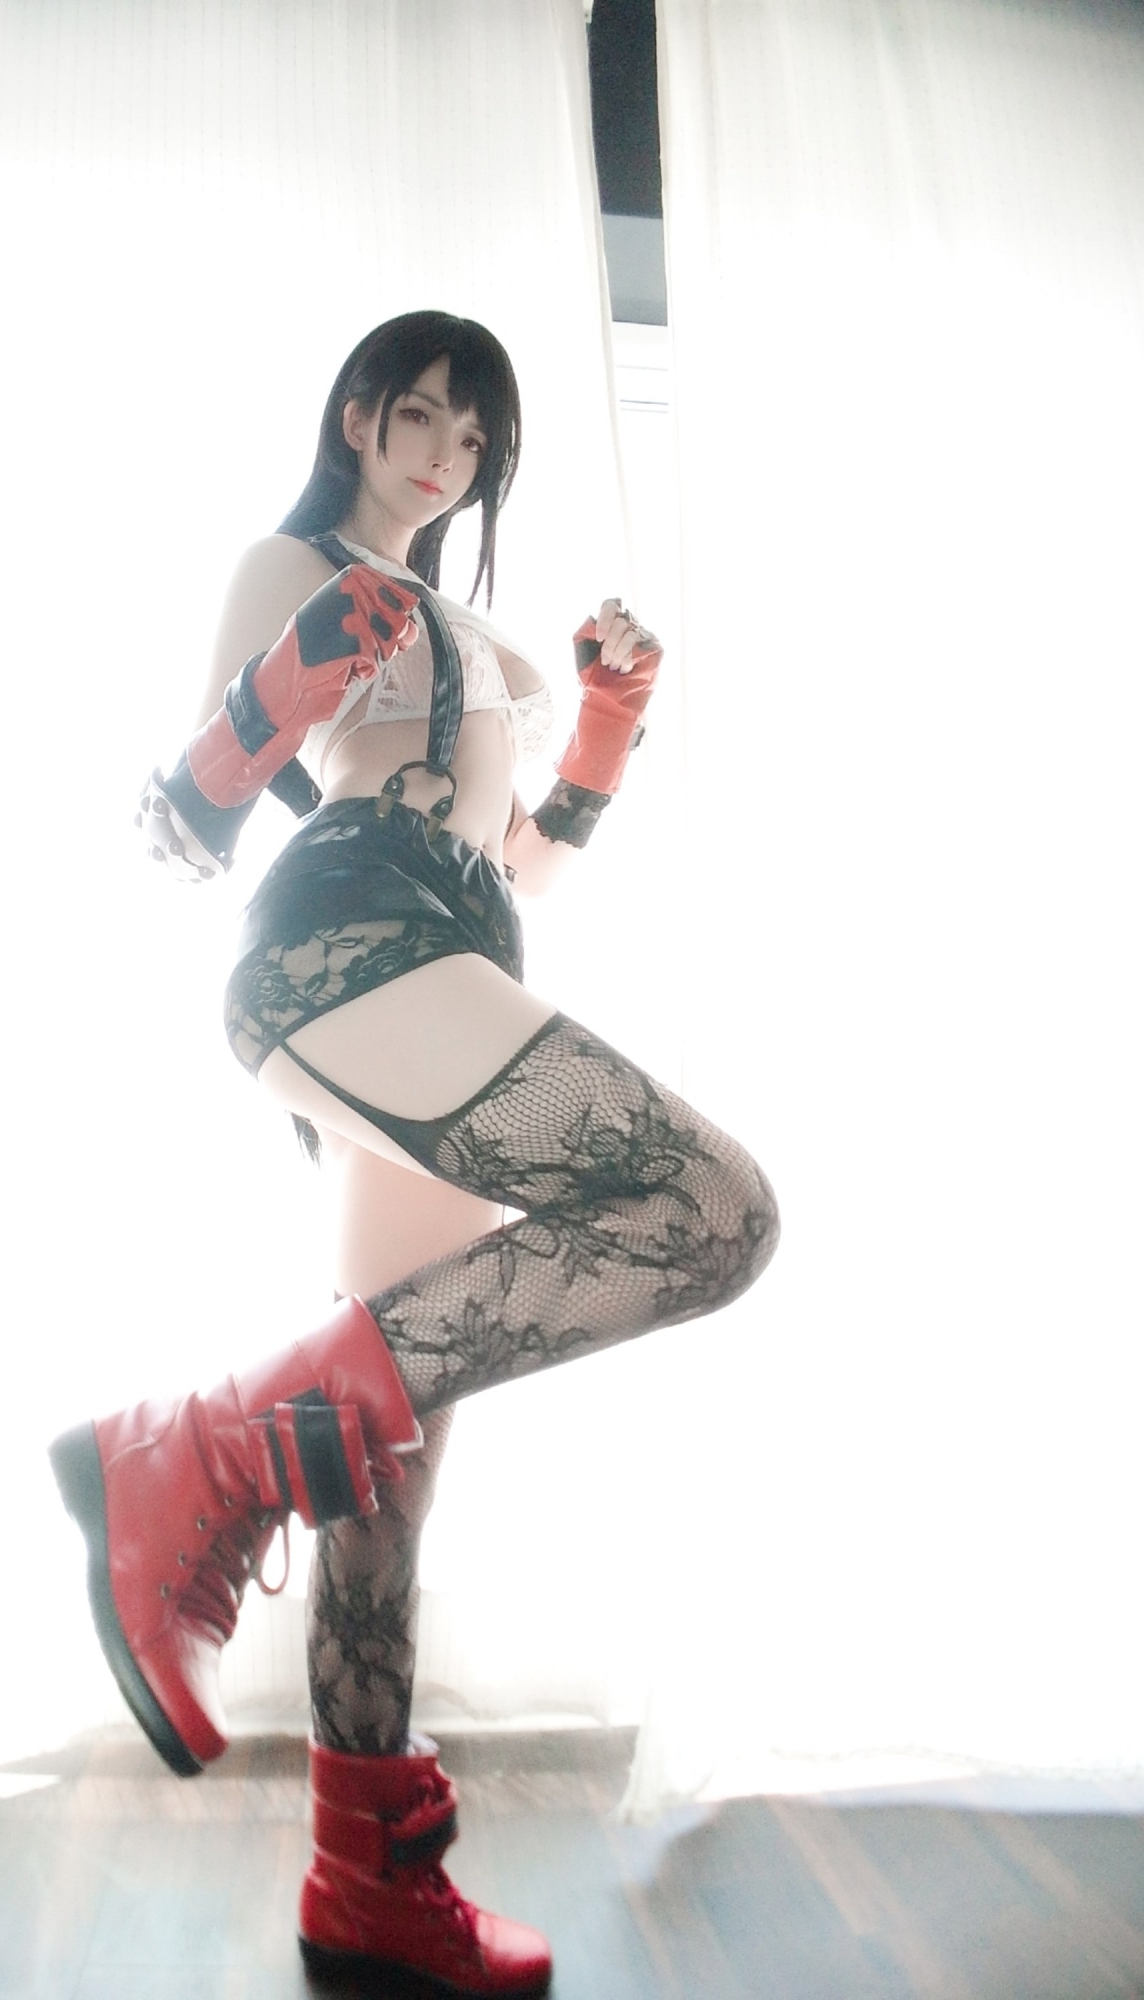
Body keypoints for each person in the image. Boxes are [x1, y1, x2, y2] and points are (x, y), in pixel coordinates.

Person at [51, 310, 778, 1997]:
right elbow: (183, 826)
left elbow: (518, 864)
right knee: (714, 1212)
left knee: (388, 1461)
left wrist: (601, 731)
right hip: (343, 946)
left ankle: (365, 1885)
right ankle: (203, 1450)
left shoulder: (491, 639)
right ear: (362, 415)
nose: (448, 456)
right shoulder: (290, 565)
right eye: (428, 417)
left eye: (478, 442)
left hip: (456, 968)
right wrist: (287, 683)